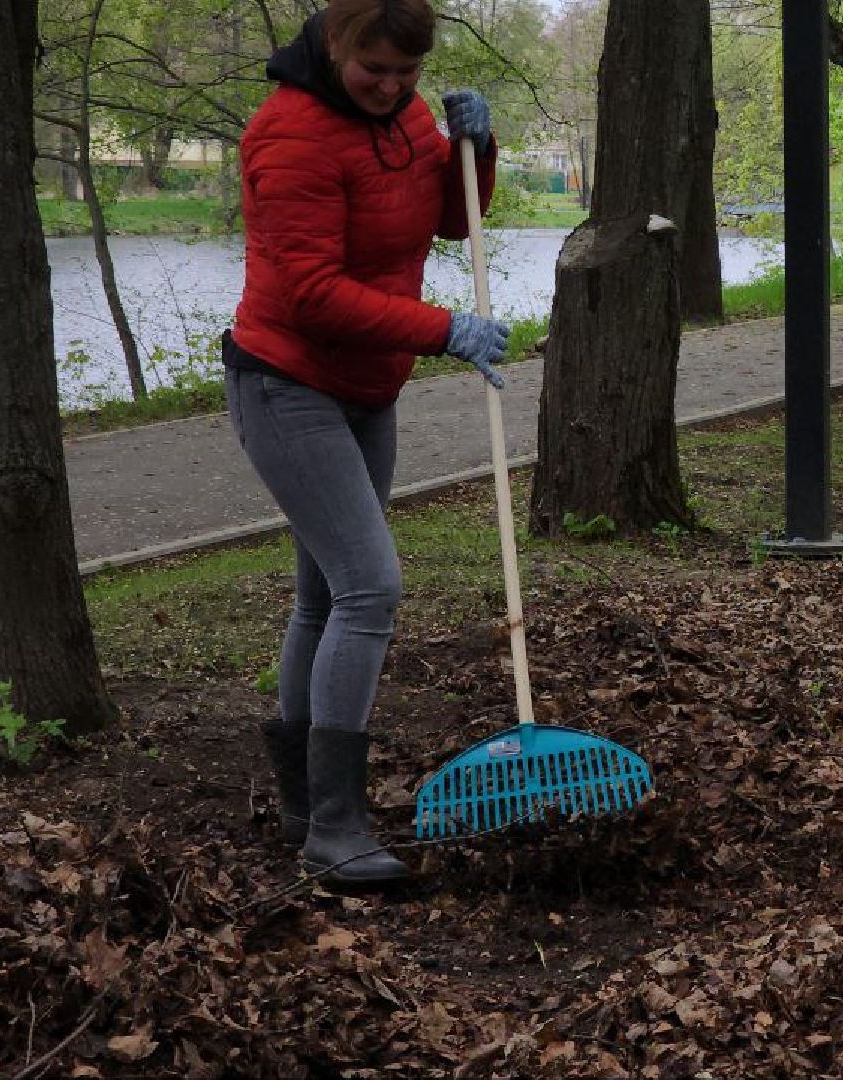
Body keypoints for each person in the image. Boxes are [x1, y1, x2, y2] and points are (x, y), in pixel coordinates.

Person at [226, 0, 507, 887]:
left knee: (323, 597)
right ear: (335, 45)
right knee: (369, 587)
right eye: (372, 71)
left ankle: (308, 804)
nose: (390, 89)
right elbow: (308, 291)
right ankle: (334, 827)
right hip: (287, 382)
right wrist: (442, 328)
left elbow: (455, 222)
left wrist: (474, 151)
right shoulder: (290, 135)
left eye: (407, 75)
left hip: (366, 385)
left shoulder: (407, 116)